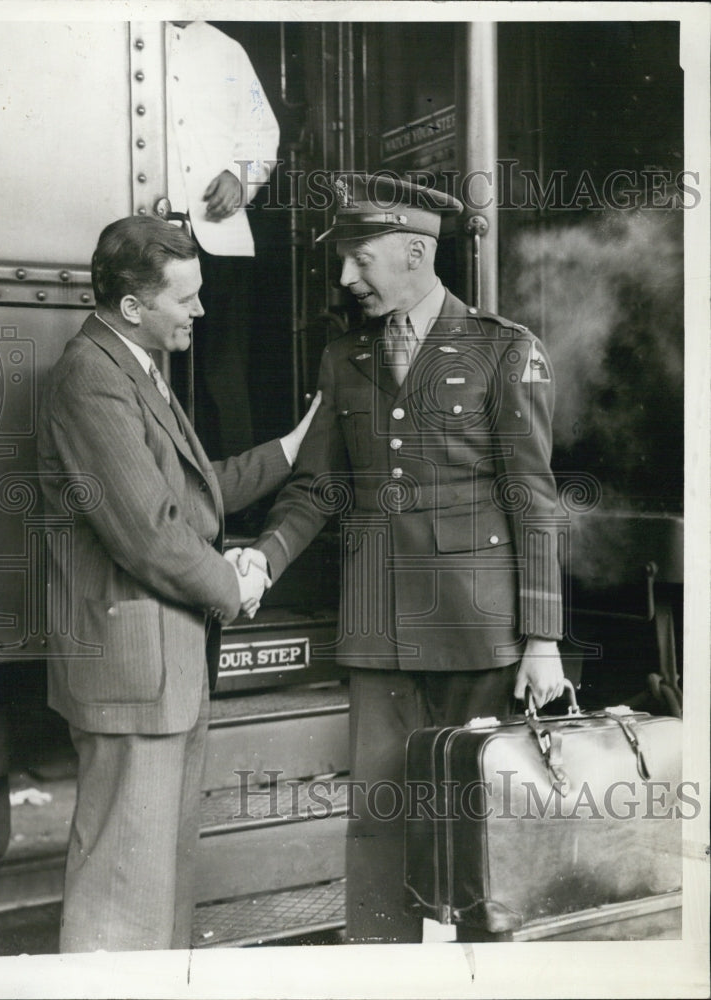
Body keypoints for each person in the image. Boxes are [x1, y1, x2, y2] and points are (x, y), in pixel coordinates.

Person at [234, 173, 567, 943]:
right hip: (379, 628)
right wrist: (262, 560)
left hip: (477, 631)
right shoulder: (344, 356)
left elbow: (534, 501)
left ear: (417, 253)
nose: (347, 278)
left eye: (361, 259)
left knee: (480, 828)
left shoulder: (503, 350)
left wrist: (543, 640)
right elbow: (316, 487)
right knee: (379, 823)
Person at [36, 215, 318, 952]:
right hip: (136, 673)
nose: (200, 312)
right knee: (122, 897)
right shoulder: (92, 378)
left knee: (156, 882)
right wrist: (234, 586)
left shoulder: (131, 365)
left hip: (165, 668)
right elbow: (149, 530)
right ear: (134, 307)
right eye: (186, 299)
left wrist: (291, 449)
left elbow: (197, 492)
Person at [166, 20, 280, 458]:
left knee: (223, 373)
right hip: (154, 237)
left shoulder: (226, 49)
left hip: (221, 238)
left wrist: (240, 176)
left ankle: (236, 503)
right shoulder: (121, 35)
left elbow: (263, 133)